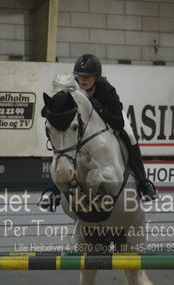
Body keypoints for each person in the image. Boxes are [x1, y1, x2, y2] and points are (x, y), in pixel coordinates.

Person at [39, 54, 156, 212]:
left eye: (88, 76)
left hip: (110, 118)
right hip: (83, 129)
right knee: (65, 150)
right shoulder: (72, 89)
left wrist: (99, 108)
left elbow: (118, 122)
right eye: (80, 76)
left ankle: (143, 183)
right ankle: (53, 192)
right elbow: (45, 110)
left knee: (129, 135)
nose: (83, 80)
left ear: (97, 77)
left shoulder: (106, 90)